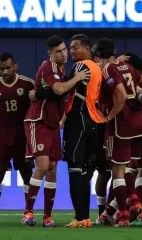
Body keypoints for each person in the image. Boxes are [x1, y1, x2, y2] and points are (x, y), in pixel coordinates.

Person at [21, 35, 90, 228]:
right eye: (58, 51)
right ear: (50, 53)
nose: (63, 54)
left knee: (52, 169)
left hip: (52, 124)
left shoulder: (60, 69)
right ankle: (27, 212)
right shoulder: (49, 67)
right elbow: (59, 90)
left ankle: (47, 217)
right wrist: (77, 78)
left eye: (64, 50)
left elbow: (58, 92)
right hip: (38, 120)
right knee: (42, 166)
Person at [94, 38, 142, 227]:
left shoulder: (108, 69)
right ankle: (134, 201)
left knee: (118, 171)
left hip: (121, 124)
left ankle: (124, 215)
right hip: (138, 123)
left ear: (98, 57)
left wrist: (109, 116)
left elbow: (122, 96)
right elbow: (140, 87)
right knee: (129, 169)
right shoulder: (127, 66)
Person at [0, 53, 35, 227]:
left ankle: (28, 213)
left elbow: (37, 107)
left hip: (23, 138)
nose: (5, 71)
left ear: (15, 66)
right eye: (2, 68)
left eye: (8, 67)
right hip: (2, 138)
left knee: (27, 176)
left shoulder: (27, 84)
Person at [63, 34, 103, 228]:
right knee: (83, 171)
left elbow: (63, 89)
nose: (71, 52)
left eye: (75, 47)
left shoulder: (80, 66)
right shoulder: (97, 67)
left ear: (86, 48)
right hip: (93, 121)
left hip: (78, 118)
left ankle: (80, 217)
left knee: (74, 170)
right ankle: (85, 217)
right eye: (70, 48)